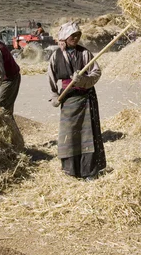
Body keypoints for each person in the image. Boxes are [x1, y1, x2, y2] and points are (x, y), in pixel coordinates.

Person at [47, 21, 106, 180]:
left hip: (87, 99)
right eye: (73, 35)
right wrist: (54, 96)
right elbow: (51, 77)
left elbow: (96, 73)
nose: (76, 38)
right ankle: (71, 171)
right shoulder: (56, 55)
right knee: (69, 134)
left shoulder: (85, 53)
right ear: (65, 37)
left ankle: (89, 171)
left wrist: (83, 80)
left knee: (88, 135)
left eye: (78, 35)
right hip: (68, 100)